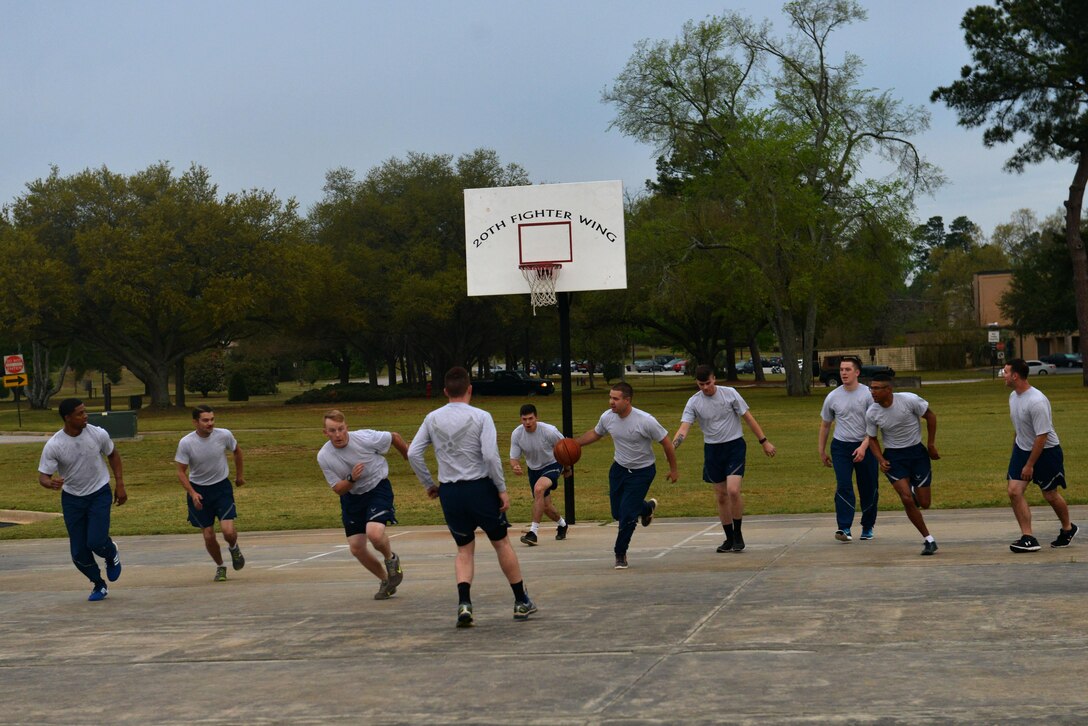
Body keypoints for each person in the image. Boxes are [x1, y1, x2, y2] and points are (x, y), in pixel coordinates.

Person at [408, 366, 537, 627]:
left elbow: (413, 453)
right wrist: (501, 488)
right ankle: (520, 600)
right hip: (479, 489)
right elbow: (489, 456)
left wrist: (429, 483)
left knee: (464, 549)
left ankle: (464, 603)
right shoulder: (481, 416)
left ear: (445, 391)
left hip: (451, 492)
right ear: (470, 389)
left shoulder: (432, 418)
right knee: (501, 543)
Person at [576, 381, 678, 569]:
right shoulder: (607, 417)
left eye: (615, 399)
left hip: (642, 471)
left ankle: (620, 553)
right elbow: (596, 434)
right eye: (610, 397)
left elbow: (666, 442)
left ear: (627, 400)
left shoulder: (645, 420)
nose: (611, 402)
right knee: (618, 512)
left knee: (627, 515)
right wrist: (575, 444)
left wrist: (673, 469)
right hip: (619, 469)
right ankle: (646, 509)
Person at [673, 365, 774, 553]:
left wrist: (764, 441)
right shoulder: (694, 402)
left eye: (708, 383)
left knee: (733, 490)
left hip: (734, 446)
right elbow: (684, 427)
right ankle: (729, 538)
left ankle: (738, 533)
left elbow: (748, 418)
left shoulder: (730, 394)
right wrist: (673, 446)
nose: (705, 387)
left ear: (714, 379)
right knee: (721, 496)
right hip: (713, 450)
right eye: (701, 384)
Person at [37, 398, 126, 601]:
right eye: (80, 413)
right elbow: (43, 476)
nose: (85, 416)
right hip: (72, 499)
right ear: (67, 418)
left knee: (96, 541)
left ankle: (110, 551)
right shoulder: (55, 445)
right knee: (78, 552)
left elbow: (113, 454)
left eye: (85, 412)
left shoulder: (98, 434)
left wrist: (120, 484)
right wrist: (49, 483)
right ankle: (98, 584)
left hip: (99, 492)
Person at [318, 409, 409, 600]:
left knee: (374, 534)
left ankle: (391, 560)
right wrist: (351, 478)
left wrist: (409, 457)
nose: (338, 435)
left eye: (341, 429)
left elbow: (394, 437)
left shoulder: (365, 438)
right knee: (356, 547)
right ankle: (386, 581)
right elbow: (338, 489)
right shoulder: (324, 456)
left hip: (377, 488)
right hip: (351, 497)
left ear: (347, 427)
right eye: (332, 431)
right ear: (325, 433)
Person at [1002, 358, 1079, 552]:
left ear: (1015, 376)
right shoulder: (1013, 396)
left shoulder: (1037, 401)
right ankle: (1028, 537)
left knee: (1050, 494)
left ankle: (1068, 528)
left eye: (1006, 372)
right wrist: (1016, 451)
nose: (1003, 375)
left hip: (1046, 451)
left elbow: (1042, 436)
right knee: (1014, 491)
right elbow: (1020, 428)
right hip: (1022, 449)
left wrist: (1029, 465)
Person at [862, 374, 940, 555]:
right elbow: (872, 438)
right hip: (894, 457)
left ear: (888, 389)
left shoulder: (909, 400)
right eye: (871, 388)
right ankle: (929, 540)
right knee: (906, 498)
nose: (872, 392)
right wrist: (880, 459)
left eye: (876, 388)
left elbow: (930, 416)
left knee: (925, 503)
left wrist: (930, 445)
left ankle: (912, 490)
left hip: (917, 454)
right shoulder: (872, 412)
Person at [176, 405, 247, 582]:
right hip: (199, 491)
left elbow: (237, 451)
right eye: (205, 420)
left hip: (221, 488)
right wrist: (192, 493)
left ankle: (234, 547)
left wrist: (239, 476)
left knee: (228, 532)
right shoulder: (186, 443)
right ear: (195, 422)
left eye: (212, 419)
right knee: (208, 535)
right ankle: (220, 566)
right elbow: (181, 472)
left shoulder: (224, 435)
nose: (210, 423)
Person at [817, 357, 879, 542]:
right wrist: (821, 450)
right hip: (841, 447)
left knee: (868, 487)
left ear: (857, 372)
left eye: (847, 369)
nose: (843, 373)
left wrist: (863, 447)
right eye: (841, 369)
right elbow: (825, 424)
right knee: (844, 485)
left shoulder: (868, 395)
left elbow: (874, 426)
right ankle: (844, 527)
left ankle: (867, 526)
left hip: (866, 445)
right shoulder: (833, 396)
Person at [509, 403, 569, 546]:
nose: (528, 422)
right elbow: (514, 457)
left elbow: (565, 448)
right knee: (546, 506)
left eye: (530, 418)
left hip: (552, 464)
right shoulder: (517, 434)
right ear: (520, 419)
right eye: (524, 419)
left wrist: (567, 468)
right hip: (534, 469)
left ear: (536, 418)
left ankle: (533, 533)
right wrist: (515, 466)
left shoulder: (549, 431)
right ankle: (562, 524)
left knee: (539, 489)